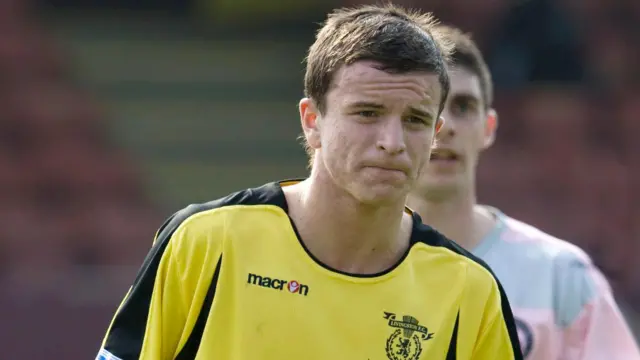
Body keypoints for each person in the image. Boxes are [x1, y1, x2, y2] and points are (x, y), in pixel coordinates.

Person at [96, 5, 523, 360]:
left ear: (435, 133)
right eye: (367, 113)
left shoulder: (470, 293)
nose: (392, 143)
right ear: (312, 120)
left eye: (414, 120)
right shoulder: (207, 243)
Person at [407, 24, 640, 360]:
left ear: (488, 128)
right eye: (426, 110)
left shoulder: (559, 276)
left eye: (462, 107)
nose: (447, 127)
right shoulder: (346, 263)